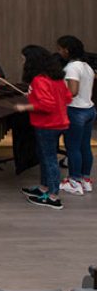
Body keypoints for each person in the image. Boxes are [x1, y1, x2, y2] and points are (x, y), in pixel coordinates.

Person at [16, 44, 73, 209]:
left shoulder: (39, 80)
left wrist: (25, 106)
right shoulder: (55, 78)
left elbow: (47, 105)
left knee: (49, 160)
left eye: (24, 58)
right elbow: (67, 97)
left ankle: (54, 197)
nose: (22, 61)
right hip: (60, 122)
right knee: (44, 157)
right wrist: (34, 96)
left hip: (48, 125)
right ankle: (44, 188)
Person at [56, 35, 95, 195]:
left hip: (75, 110)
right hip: (89, 110)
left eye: (59, 49)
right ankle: (85, 180)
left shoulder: (72, 67)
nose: (59, 52)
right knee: (84, 146)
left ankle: (73, 181)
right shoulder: (87, 66)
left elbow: (72, 91)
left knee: (72, 148)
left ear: (66, 50)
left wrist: (55, 95)